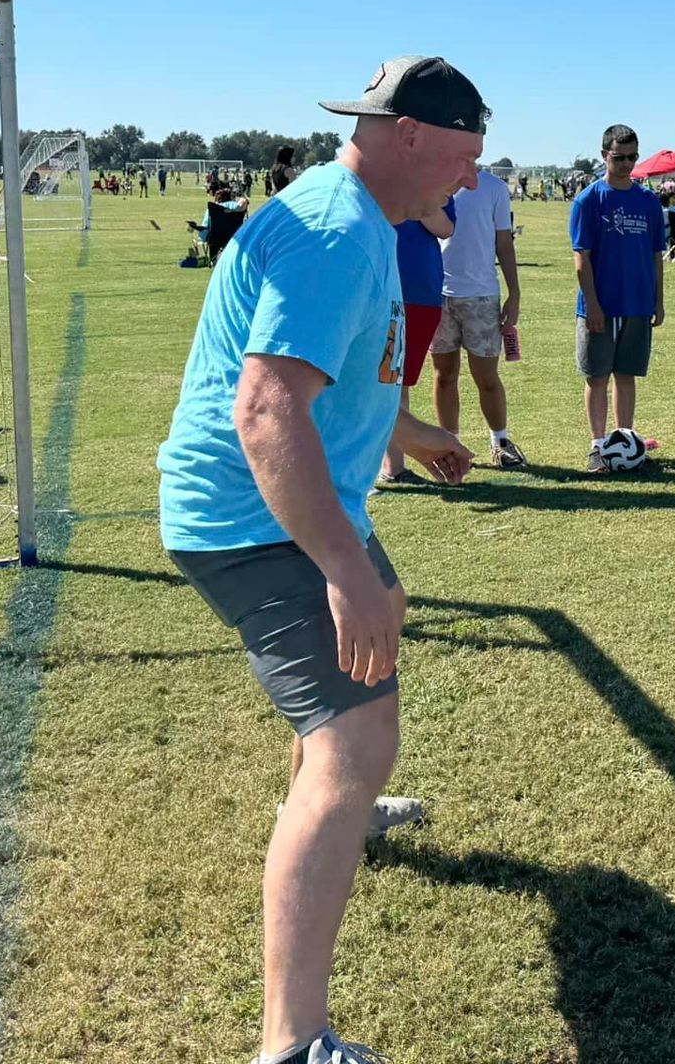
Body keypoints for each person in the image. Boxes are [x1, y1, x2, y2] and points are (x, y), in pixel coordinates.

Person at [157, 55, 483, 1064]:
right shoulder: (343, 232)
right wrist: (343, 571)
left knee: (359, 683)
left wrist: (409, 434)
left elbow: (335, 381)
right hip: (251, 518)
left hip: (290, 500)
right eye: (470, 156)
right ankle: (291, 1045)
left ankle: (341, 800)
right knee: (353, 745)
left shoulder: (361, 218)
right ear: (416, 137)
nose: (473, 180)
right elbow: (265, 411)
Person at [570, 125, 667, 471]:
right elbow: (581, 257)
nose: (626, 164)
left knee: (626, 375)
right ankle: (598, 446)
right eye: (619, 157)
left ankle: (625, 442)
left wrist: (658, 299)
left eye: (632, 157)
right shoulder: (588, 200)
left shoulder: (648, 201)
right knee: (597, 377)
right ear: (604, 156)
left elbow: (657, 255)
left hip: (638, 304)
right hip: (600, 306)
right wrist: (593, 304)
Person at [430, 163, 526, 467]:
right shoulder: (433, 180)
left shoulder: (494, 188)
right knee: (444, 376)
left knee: (486, 378)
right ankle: (450, 444)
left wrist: (515, 293)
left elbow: (504, 243)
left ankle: (500, 441)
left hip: (482, 296)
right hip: (438, 294)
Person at [378, 196, 456, 485]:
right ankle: (391, 466)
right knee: (387, 379)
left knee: (400, 380)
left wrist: (419, 196)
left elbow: (445, 228)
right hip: (384, 292)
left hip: (422, 293)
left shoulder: (439, 188)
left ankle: (393, 466)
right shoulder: (382, 178)